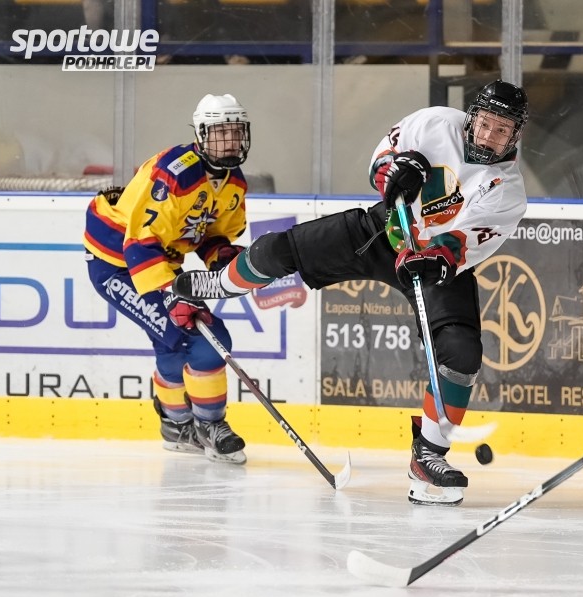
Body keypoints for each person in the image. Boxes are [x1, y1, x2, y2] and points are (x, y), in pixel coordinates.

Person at [173, 80, 530, 505]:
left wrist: (434, 257)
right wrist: (393, 173)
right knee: (278, 249)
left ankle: (428, 457)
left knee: (460, 351)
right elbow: (382, 158)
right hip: (383, 230)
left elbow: (465, 242)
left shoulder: (507, 190)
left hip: (433, 266)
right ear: (472, 118)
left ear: (515, 135)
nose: (489, 137)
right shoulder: (435, 123)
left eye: (501, 130)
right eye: (485, 124)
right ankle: (219, 284)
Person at [83, 93, 252, 465]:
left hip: (157, 260)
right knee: (202, 336)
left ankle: (176, 426)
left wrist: (221, 256)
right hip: (117, 263)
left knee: (173, 342)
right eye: (221, 133)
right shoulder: (175, 173)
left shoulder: (234, 183)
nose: (230, 141)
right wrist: (172, 293)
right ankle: (210, 425)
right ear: (202, 134)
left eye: (236, 132)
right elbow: (139, 242)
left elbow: (206, 233)